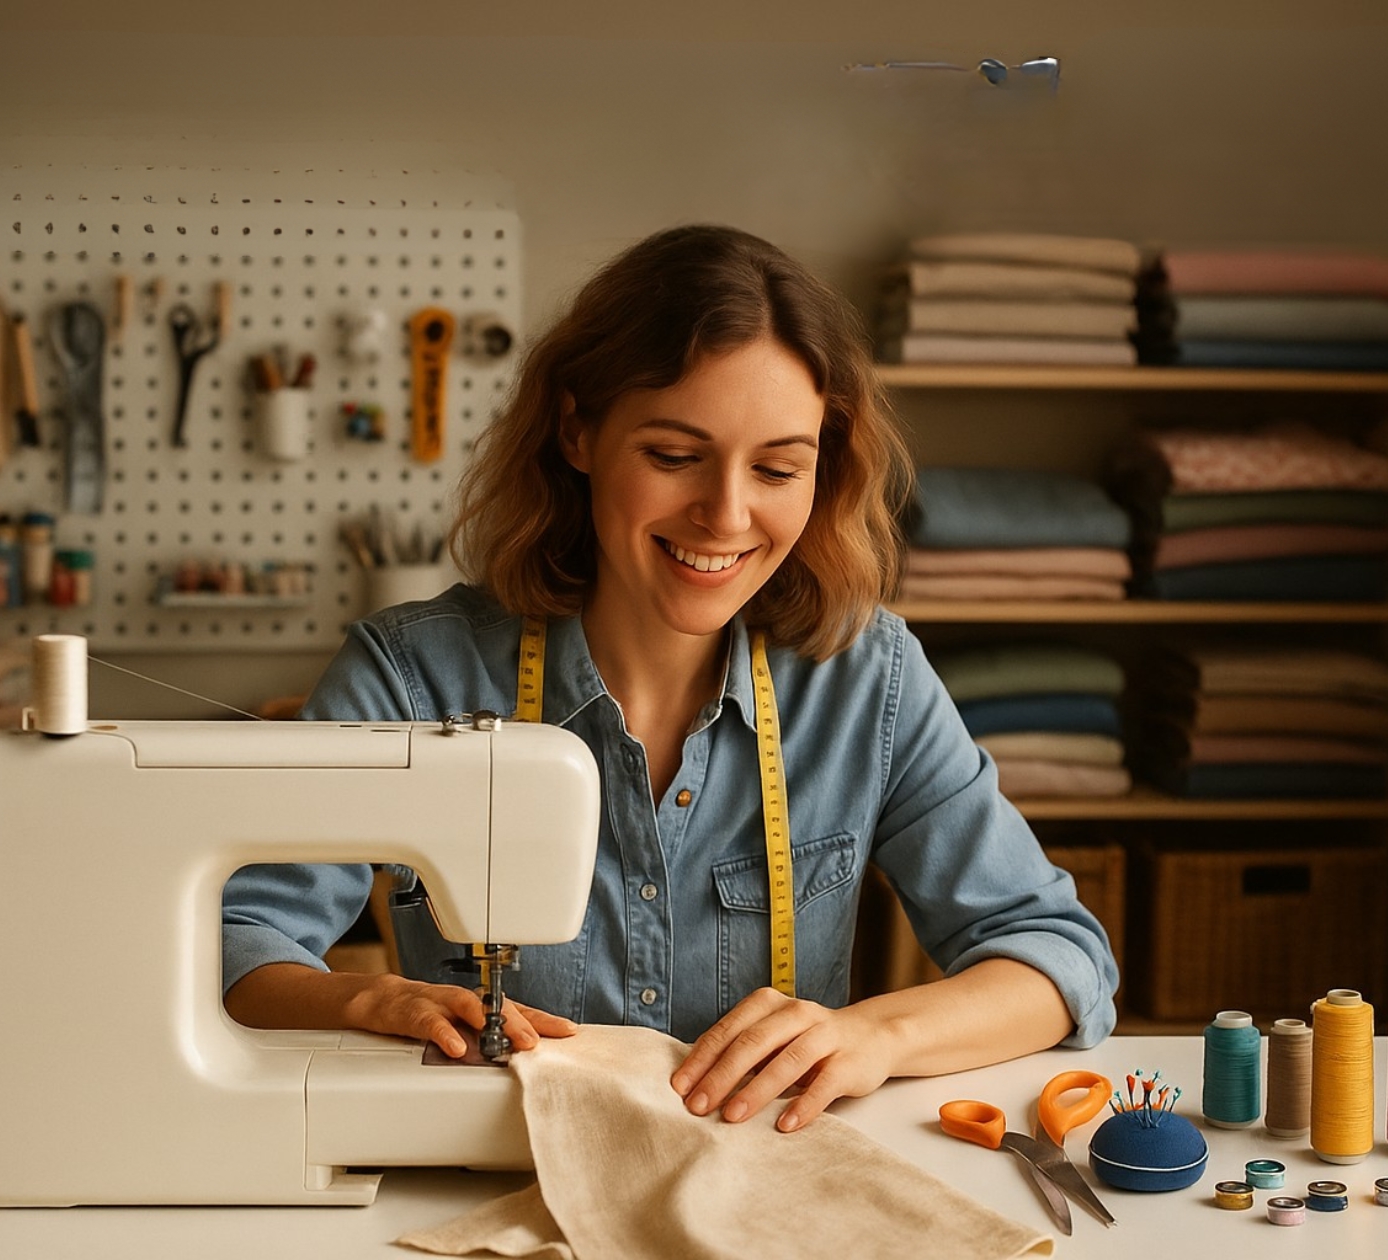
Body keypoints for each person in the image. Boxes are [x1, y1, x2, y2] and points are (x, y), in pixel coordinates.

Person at [222, 224, 1118, 1132]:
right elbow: (234, 940)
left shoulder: (866, 680)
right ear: (577, 430)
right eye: (674, 457)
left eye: (777, 468)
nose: (726, 515)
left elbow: (1059, 959)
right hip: (497, 1169)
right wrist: (367, 1002)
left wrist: (873, 1036)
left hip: (763, 1191)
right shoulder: (414, 676)